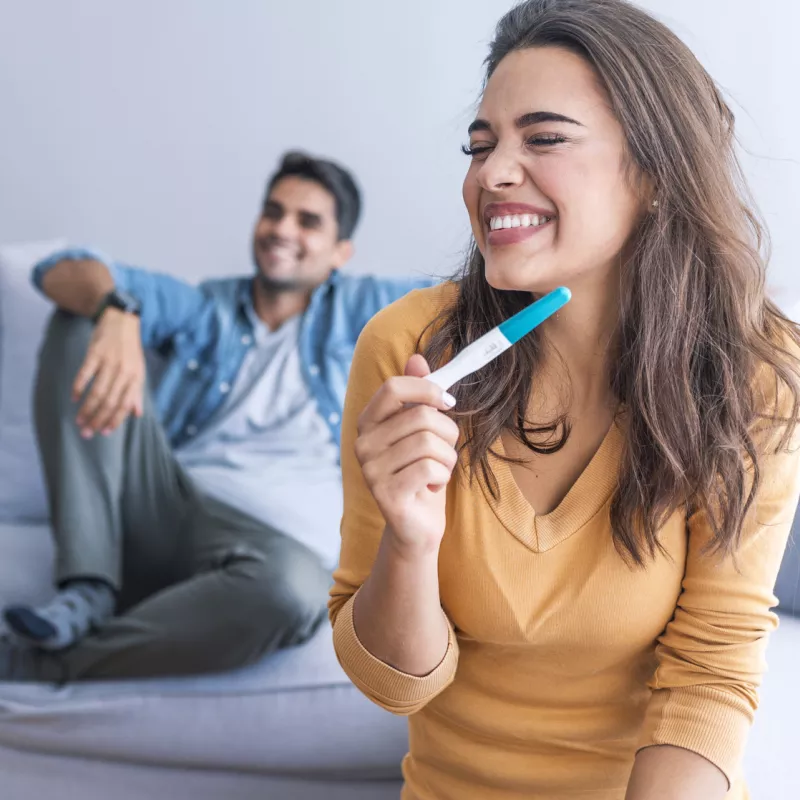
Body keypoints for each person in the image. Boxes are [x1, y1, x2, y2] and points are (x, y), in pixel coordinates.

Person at [329, 2, 800, 799]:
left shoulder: (755, 370)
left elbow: (711, 677)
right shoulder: (409, 351)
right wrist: (409, 543)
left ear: (653, 170)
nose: (492, 173)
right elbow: (393, 687)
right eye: (480, 146)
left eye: (542, 138)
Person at [0, 151, 435, 682]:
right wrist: (116, 309)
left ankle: (43, 662)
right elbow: (61, 269)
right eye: (273, 212)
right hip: (167, 510)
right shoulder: (207, 310)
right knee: (82, 318)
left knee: (292, 593)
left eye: (307, 221)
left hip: (271, 556)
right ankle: (87, 588)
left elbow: (469, 300)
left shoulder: (366, 310)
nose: (282, 229)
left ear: (341, 251)